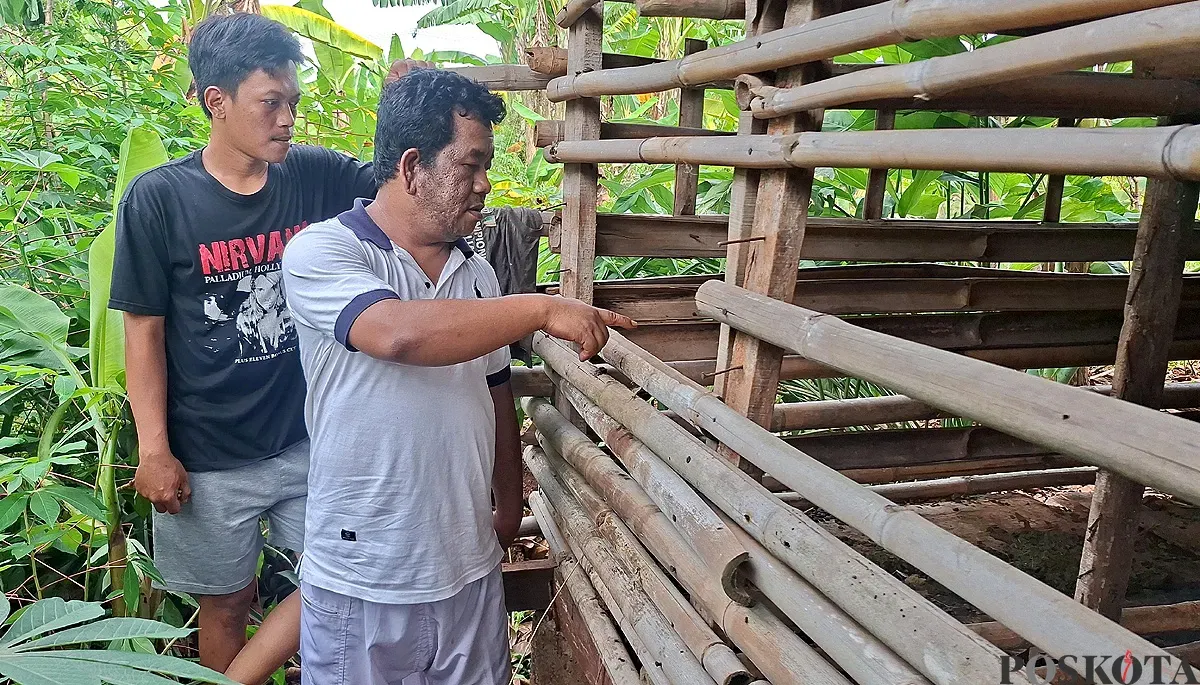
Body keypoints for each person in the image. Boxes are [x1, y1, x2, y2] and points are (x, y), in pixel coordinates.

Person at [281, 68, 635, 685]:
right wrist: (542, 307)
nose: (484, 185)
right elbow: (394, 333)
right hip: (366, 570)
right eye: (469, 166)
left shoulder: (476, 274)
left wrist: (507, 494)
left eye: (486, 167)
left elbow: (494, 392)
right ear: (412, 166)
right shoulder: (324, 251)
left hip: (466, 561)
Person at [108, 12, 423, 684]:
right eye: (270, 104)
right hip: (210, 454)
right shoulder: (159, 200)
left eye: (293, 103)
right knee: (225, 603)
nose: (287, 120)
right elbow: (145, 332)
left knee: (346, 580)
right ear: (215, 102)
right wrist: (155, 448)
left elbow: (397, 182)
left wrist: (403, 104)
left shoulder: (313, 177)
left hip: (314, 441)